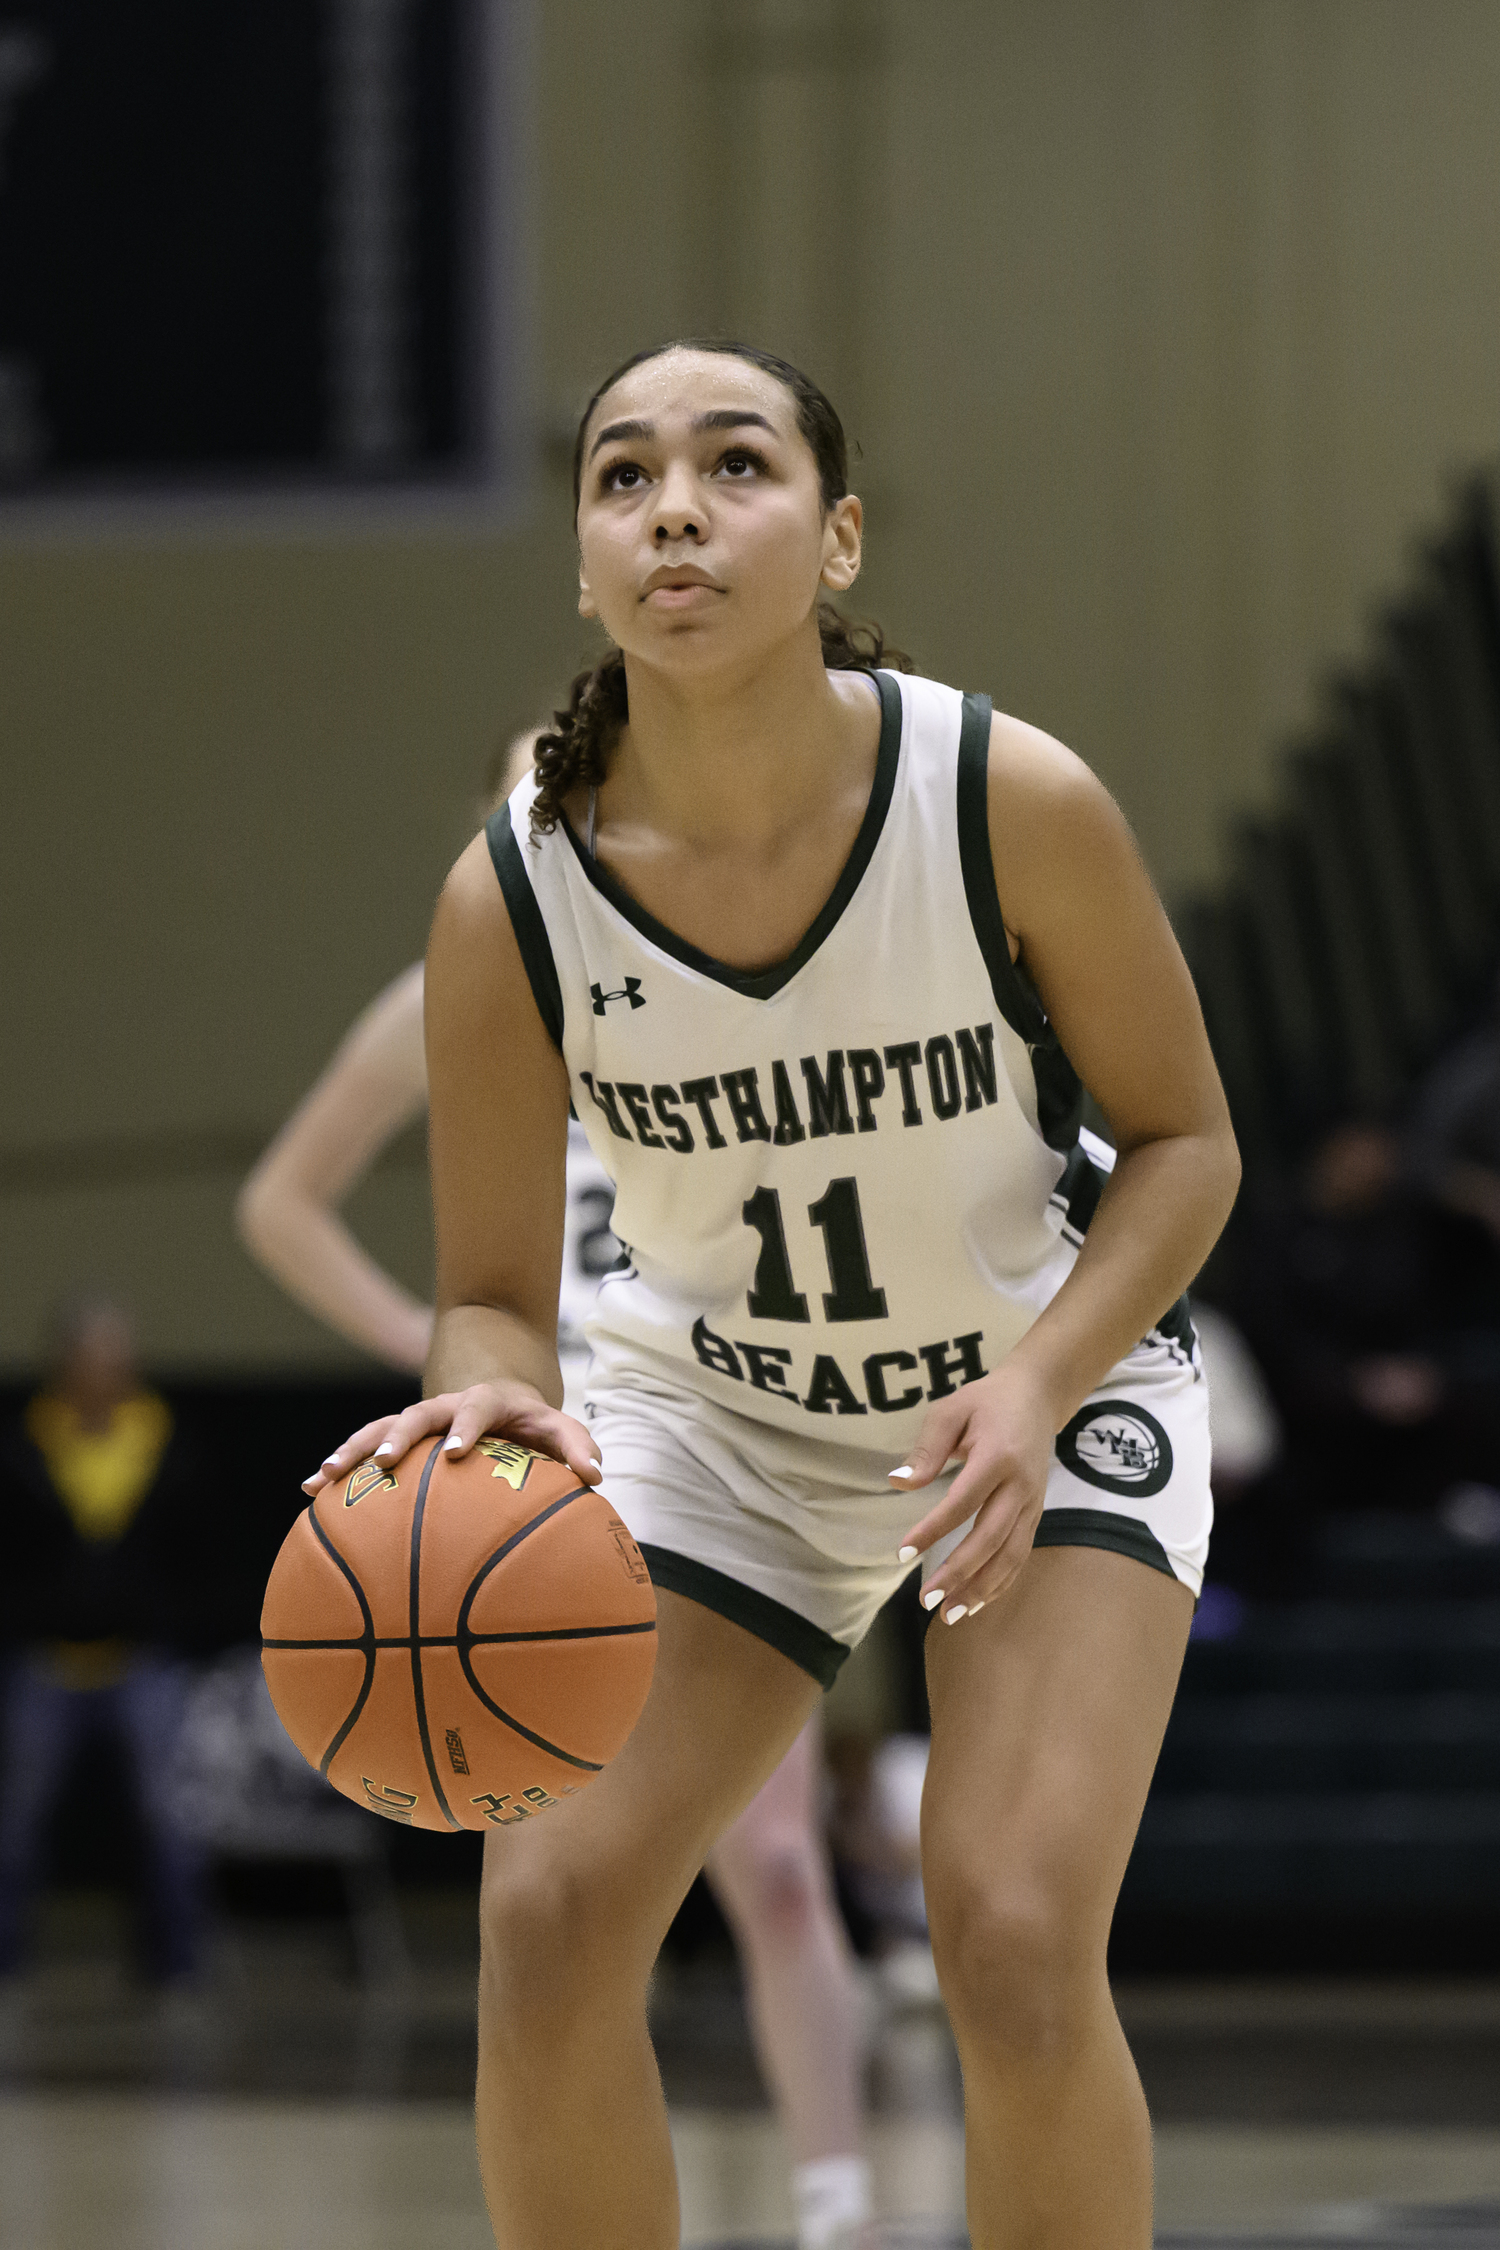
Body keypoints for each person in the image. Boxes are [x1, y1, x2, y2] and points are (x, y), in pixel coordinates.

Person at [304, 339, 1240, 2249]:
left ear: (834, 539)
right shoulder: (520, 897)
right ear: (583, 562)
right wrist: (489, 1386)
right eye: (625, 476)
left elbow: (1188, 1145)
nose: (675, 509)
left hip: (1038, 1382)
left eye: (737, 467)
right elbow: (489, 1289)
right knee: (551, 1924)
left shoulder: (1003, 794)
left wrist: (1043, 1384)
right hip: (724, 1409)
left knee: (1008, 1937)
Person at [238, 739, 876, 2250]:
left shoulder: (724, 977)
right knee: (560, 1906)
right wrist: (422, 1335)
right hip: (534, 1472)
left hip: (716, 1450)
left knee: (777, 1867)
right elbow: (280, 1199)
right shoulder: (453, 993)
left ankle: (841, 2206)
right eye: (524, 806)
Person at [0, 1298, 215, 1985]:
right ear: (66, 1365)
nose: (112, 1369)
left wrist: (162, 1615)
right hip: (47, 1663)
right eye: (97, 1356)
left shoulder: (169, 1442)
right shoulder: (24, 1445)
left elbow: (196, 1555)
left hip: (144, 1662)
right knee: (17, 1823)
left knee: (170, 1820)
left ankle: (176, 1967)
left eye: (121, 1356)